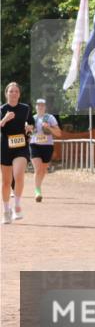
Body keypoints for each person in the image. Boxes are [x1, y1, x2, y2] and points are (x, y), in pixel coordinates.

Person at [1, 82, 33, 223]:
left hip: (21, 146)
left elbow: (31, 123)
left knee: (18, 175)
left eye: (16, 91)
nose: (14, 93)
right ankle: (6, 210)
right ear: (6, 94)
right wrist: (5, 119)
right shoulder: (2, 109)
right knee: (6, 182)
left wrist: (30, 128)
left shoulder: (25, 109)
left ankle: (17, 206)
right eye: (11, 91)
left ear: (19, 94)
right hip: (5, 147)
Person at [28, 98, 62, 202]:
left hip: (47, 146)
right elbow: (26, 133)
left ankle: (38, 186)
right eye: (38, 105)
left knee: (43, 170)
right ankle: (37, 191)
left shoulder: (50, 118)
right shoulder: (31, 118)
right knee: (38, 169)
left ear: (45, 107)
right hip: (34, 145)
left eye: (42, 105)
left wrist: (49, 128)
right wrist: (27, 129)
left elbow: (59, 133)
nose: (40, 107)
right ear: (36, 107)